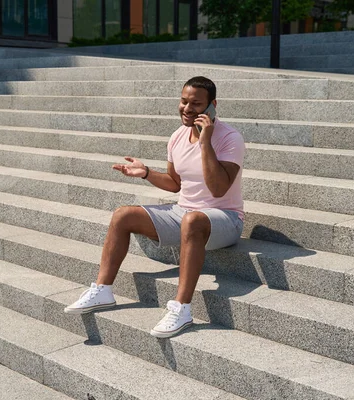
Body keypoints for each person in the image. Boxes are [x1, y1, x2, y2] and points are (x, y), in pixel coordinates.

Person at [64, 76, 245, 338]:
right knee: (123, 215)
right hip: (185, 213)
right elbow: (174, 184)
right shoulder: (177, 137)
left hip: (225, 220)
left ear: (212, 106)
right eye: (184, 101)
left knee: (193, 220)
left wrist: (205, 141)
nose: (187, 108)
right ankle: (102, 290)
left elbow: (218, 189)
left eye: (196, 104)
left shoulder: (230, 138)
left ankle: (181, 308)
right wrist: (146, 172)